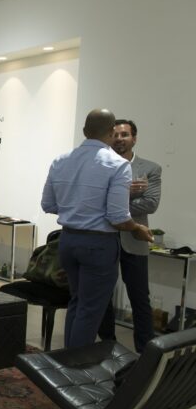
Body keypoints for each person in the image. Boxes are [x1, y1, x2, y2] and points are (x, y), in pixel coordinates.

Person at [41, 109, 153, 349]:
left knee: (77, 302)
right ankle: (76, 365)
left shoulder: (61, 161)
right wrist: (137, 228)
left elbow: (48, 205)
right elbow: (118, 217)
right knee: (90, 310)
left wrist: (76, 208)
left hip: (68, 240)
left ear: (84, 131)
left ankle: (67, 359)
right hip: (98, 245)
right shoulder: (117, 164)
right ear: (112, 132)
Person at [98, 120, 162, 352]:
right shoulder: (99, 165)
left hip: (135, 239)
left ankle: (145, 352)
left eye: (124, 134)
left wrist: (114, 200)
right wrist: (126, 192)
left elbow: (151, 203)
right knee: (102, 295)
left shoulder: (150, 168)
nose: (119, 139)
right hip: (104, 238)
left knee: (140, 297)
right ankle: (108, 346)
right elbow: (95, 201)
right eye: (115, 135)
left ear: (134, 138)